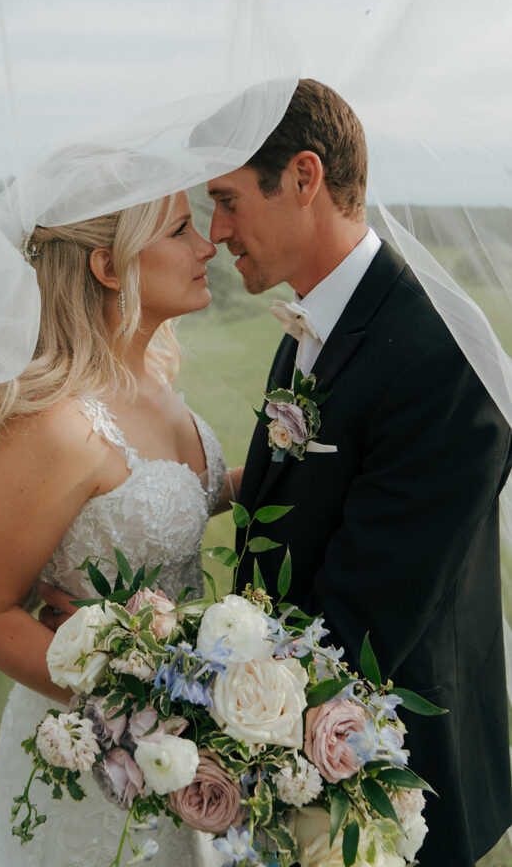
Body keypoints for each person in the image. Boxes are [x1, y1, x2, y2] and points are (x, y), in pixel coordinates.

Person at [204, 78, 512, 867]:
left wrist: (182, 685)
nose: (217, 230)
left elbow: (364, 615)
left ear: (303, 178)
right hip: (294, 767)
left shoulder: (437, 356)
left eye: (229, 199)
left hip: (394, 787)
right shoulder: (309, 321)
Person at [0, 188, 236, 867]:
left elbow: (173, 503)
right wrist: (128, 706)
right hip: (98, 760)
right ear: (109, 267)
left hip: (189, 735)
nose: (206, 246)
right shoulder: (57, 425)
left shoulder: (152, 379)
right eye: (180, 230)